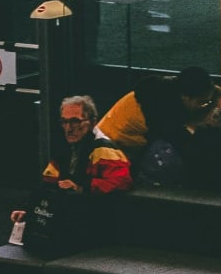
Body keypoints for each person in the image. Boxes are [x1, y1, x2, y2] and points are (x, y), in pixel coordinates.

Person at [11, 95, 131, 247]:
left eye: (75, 121)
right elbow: (48, 183)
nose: (68, 128)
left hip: (96, 221)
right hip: (69, 218)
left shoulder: (103, 149)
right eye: (64, 122)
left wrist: (81, 187)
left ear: (92, 122)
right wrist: (28, 210)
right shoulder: (65, 148)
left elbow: (122, 182)